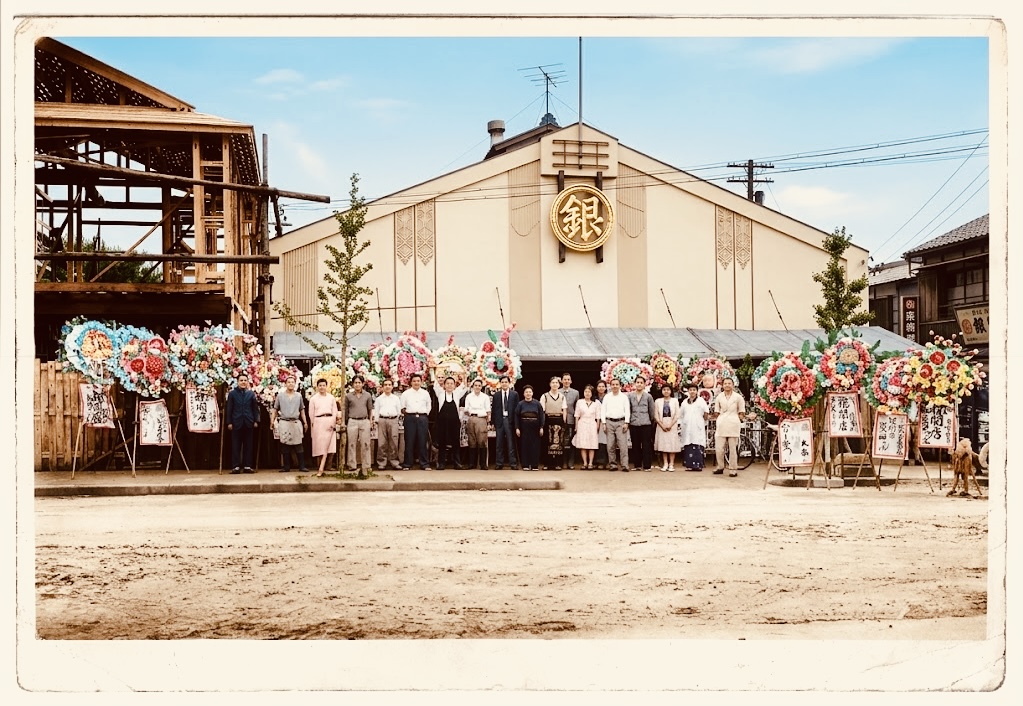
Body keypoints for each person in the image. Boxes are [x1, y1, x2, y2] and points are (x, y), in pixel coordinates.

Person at [270, 374, 308, 472]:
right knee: (285, 444)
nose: (291, 384)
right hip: (284, 422)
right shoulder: (280, 395)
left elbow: (302, 410)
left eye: (292, 382)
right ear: (285, 384)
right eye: (289, 382)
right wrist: (272, 421)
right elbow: (275, 409)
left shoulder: (298, 396)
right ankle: (286, 466)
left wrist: (305, 422)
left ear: (295, 384)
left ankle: (302, 466)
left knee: (298, 444)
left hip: (295, 421)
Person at [225, 372, 260, 474]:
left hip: (248, 422)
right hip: (236, 422)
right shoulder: (232, 394)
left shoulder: (251, 394)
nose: (243, 382)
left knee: (248, 445)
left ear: (247, 382)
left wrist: (256, 420)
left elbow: (255, 409)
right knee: (236, 445)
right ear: (237, 382)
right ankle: (235, 466)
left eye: (245, 380)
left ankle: (247, 466)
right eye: (241, 380)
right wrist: (229, 422)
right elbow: (229, 409)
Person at [712, 376, 746, 477]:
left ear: (733, 385)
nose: (727, 385)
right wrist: (718, 420)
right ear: (722, 385)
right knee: (719, 448)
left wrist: (739, 420)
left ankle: (733, 469)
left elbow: (741, 412)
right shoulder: (719, 397)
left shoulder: (738, 397)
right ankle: (720, 466)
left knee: (732, 448)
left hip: (733, 423)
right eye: (725, 383)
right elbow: (716, 412)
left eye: (729, 383)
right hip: (722, 423)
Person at [432, 374, 466, 470]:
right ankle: (441, 463)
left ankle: (457, 463)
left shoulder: (457, 393)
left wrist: (464, 375)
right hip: (442, 421)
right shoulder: (440, 393)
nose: (450, 385)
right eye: (448, 383)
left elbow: (465, 384)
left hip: (454, 422)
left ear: (455, 385)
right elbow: (435, 384)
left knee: (456, 442)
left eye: (452, 383)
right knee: (442, 442)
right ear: (444, 385)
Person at [400, 373, 432, 470]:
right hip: (410, 418)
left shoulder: (425, 393)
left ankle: (424, 463)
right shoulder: (406, 394)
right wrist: (409, 415)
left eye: (418, 381)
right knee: (409, 441)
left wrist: (424, 415)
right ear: (411, 382)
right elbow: (402, 407)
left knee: (423, 441)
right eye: (414, 381)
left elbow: (429, 406)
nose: (416, 383)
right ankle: (407, 464)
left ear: (421, 382)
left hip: (422, 418)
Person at [309, 378, 341, 476]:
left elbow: (335, 411)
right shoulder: (313, 399)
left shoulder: (331, 398)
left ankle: (329, 465)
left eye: (323, 385)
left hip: (329, 420)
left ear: (326, 386)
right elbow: (311, 413)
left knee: (331, 445)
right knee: (319, 445)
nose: (322, 387)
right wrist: (314, 424)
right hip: (318, 421)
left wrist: (333, 421)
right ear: (317, 387)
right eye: (320, 385)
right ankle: (319, 466)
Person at [344, 375, 374, 477]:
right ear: (353, 384)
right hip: (352, 421)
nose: (357, 385)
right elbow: (346, 411)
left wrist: (370, 421)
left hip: (364, 421)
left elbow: (370, 409)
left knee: (365, 444)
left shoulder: (367, 395)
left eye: (359, 383)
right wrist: (346, 421)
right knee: (351, 444)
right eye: (355, 383)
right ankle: (352, 464)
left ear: (363, 384)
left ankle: (366, 465)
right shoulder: (348, 396)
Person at [601, 377, 631, 471]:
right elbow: (603, 410)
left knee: (623, 445)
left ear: (620, 386)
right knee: (610, 445)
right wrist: (604, 423)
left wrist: (626, 422)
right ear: (610, 386)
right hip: (609, 422)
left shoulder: (624, 397)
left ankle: (624, 465)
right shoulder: (607, 397)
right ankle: (613, 465)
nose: (615, 386)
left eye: (616, 384)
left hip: (621, 422)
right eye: (613, 384)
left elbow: (627, 410)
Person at [628, 375, 657, 471]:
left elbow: (651, 410)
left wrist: (651, 420)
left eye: (641, 383)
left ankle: (647, 465)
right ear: (634, 384)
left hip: (646, 423)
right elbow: (629, 409)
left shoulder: (648, 396)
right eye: (638, 382)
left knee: (646, 445)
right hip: (634, 423)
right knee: (635, 445)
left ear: (644, 385)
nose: (639, 384)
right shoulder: (630, 396)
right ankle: (637, 465)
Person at [678, 383, 710, 471]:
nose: (692, 392)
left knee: (697, 443)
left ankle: (698, 465)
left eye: (694, 390)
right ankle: (689, 465)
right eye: (690, 390)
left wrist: (703, 421)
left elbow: (706, 412)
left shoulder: (701, 401)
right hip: (687, 426)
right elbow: (681, 414)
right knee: (688, 443)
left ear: (697, 391)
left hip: (698, 425)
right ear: (688, 391)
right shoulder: (685, 402)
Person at [461, 378, 492, 469]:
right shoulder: (469, 396)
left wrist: (488, 422)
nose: (477, 387)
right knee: (471, 441)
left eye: (479, 386)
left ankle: (483, 464)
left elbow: (488, 410)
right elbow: (466, 409)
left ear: (481, 387)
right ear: (473, 386)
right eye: (476, 385)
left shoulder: (485, 397)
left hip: (481, 418)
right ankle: (472, 464)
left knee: (482, 441)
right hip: (471, 418)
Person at [491, 375, 520, 470]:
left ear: (509, 383)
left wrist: (516, 424)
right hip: (500, 420)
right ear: (500, 384)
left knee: (511, 443)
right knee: (499, 443)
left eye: (506, 382)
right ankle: (499, 463)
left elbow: (517, 410)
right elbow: (494, 409)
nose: (504, 384)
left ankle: (513, 463)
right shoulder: (496, 395)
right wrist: (493, 422)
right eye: (502, 382)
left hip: (510, 420)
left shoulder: (514, 394)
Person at [373, 378, 402, 470]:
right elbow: (376, 411)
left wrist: (396, 420)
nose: (387, 386)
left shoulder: (396, 398)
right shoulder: (379, 399)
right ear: (382, 387)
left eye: (389, 385)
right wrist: (377, 421)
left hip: (393, 420)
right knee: (382, 442)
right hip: (382, 420)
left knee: (394, 442)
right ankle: (381, 462)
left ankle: (394, 462)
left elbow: (399, 411)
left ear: (392, 386)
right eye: (385, 385)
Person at [514, 385, 545, 471]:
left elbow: (541, 415)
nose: (528, 394)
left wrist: (541, 427)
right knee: (525, 446)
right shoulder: (520, 404)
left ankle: (534, 465)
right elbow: (516, 416)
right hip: (524, 427)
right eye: (526, 392)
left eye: (530, 392)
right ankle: (525, 465)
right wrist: (517, 428)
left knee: (535, 446)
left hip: (535, 427)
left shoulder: (537, 403)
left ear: (532, 393)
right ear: (524, 394)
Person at [539, 376, 568, 470]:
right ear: (550, 384)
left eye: (556, 383)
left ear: (559, 385)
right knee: (547, 442)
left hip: (558, 419)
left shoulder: (562, 396)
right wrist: (542, 424)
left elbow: (564, 409)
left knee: (559, 443)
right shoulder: (545, 396)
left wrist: (564, 422)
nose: (555, 384)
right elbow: (542, 411)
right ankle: (547, 464)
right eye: (553, 383)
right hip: (548, 419)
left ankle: (558, 464)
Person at [653, 383, 681, 471]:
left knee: (672, 444)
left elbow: (677, 414)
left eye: (668, 390)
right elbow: (656, 415)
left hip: (672, 424)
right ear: (662, 391)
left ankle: (671, 464)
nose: (666, 391)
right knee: (663, 444)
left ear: (671, 391)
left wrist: (670, 425)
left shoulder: (675, 401)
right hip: (661, 424)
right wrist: (662, 425)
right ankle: (665, 463)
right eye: (664, 389)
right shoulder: (657, 401)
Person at [573, 384, 601, 469]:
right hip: (582, 424)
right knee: (583, 444)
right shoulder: (580, 402)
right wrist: (576, 426)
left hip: (592, 424)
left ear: (592, 393)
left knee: (592, 444)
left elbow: (598, 417)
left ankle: (590, 463)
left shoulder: (596, 403)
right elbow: (577, 415)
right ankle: (585, 463)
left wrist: (598, 426)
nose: (587, 393)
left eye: (589, 392)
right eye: (586, 391)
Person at [560, 373, 580, 469]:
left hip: (571, 420)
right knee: (562, 442)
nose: (566, 381)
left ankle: (570, 462)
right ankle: (563, 461)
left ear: (571, 381)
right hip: (560, 420)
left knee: (571, 442)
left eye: (568, 379)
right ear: (562, 381)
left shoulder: (575, 393)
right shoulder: (558, 391)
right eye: (565, 379)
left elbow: (577, 408)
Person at [594, 380, 609, 468]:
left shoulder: (608, 397)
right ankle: (595, 461)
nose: (601, 388)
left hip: (605, 421)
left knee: (605, 442)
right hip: (594, 421)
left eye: (603, 386)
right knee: (595, 441)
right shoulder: (594, 398)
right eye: (599, 386)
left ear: (606, 388)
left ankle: (604, 462)